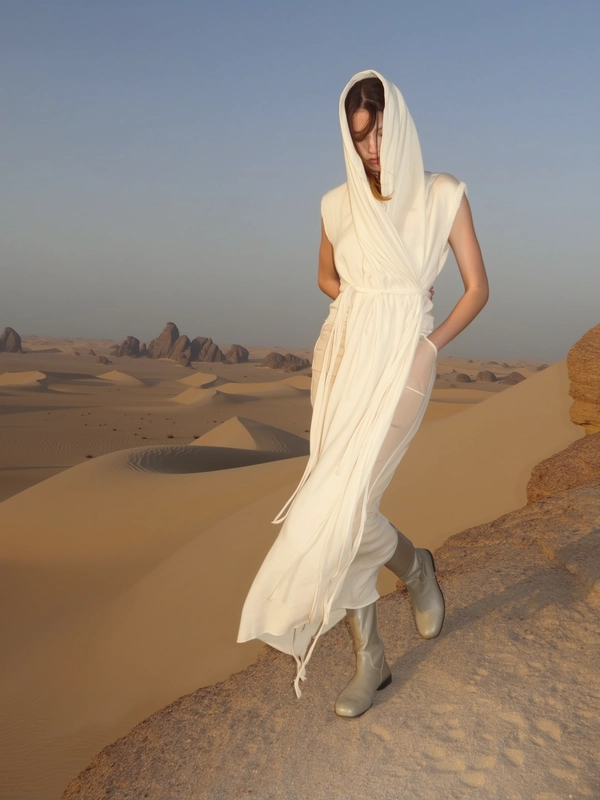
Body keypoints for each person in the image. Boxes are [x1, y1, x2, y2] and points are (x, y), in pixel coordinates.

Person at [238, 69, 488, 718]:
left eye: (377, 131)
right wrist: (363, 305)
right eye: (358, 138)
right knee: (338, 502)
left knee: (347, 508)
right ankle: (402, 593)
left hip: (408, 358)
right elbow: (326, 277)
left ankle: (390, 622)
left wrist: (426, 343)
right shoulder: (336, 203)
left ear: (395, 121)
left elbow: (477, 289)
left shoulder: (442, 194)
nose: (371, 148)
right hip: (348, 357)